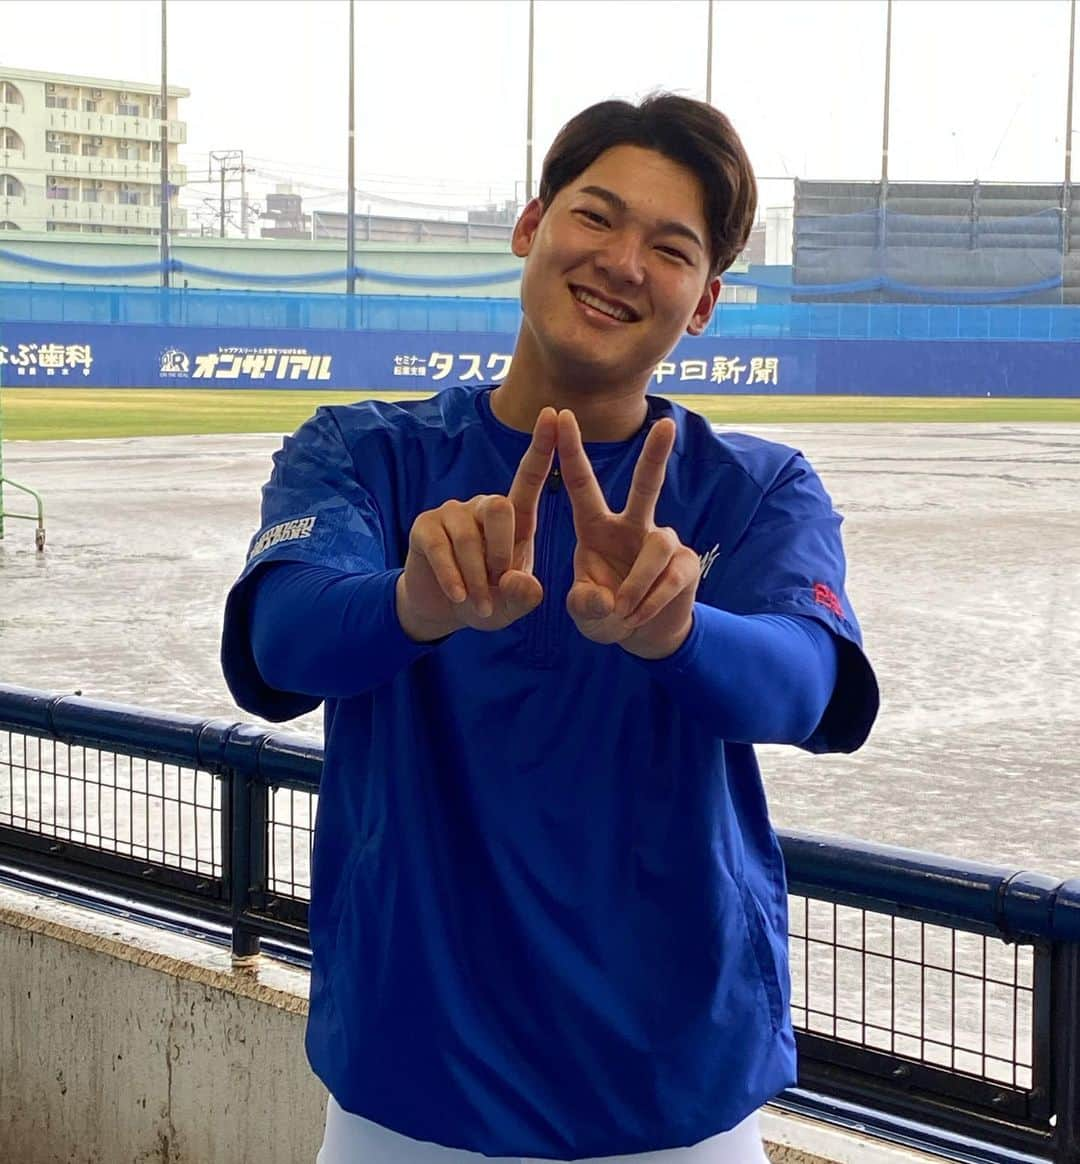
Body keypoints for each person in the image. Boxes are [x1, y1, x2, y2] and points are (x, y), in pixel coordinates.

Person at [221, 93, 879, 1164]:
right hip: (414, 1086)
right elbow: (281, 644)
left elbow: (808, 688)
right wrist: (414, 603)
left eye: (670, 247)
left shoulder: (757, 488)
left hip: (672, 1091)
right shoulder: (367, 454)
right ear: (532, 228)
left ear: (705, 301)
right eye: (596, 217)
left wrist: (680, 632)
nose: (622, 262)